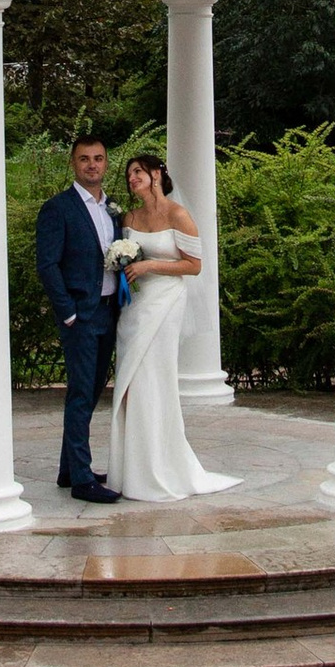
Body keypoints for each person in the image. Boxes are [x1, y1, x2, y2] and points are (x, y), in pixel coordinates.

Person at [105, 151, 238, 503]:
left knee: (154, 377)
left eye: (138, 172)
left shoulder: (179, 215)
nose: (132, 178)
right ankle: (130, 468)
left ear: (157, 174)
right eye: (129, 173)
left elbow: (194, 266)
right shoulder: (129, 217)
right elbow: (125, 256)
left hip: (166, 302)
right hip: (134, 306)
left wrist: (149, 268)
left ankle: (161, 469)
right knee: (131, 381)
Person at [33, 136, 123, 502]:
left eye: (98, 158)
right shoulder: (58, 208)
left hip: (109, 311)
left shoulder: (113, 209)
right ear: (73, 164)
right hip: (80, 316)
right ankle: (83, 480)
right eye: (84, 159)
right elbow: (47, 264)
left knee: (92, 390)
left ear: (105, 164)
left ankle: (69, 469)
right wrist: (67, 312)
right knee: (82, 393)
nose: (92, 165)